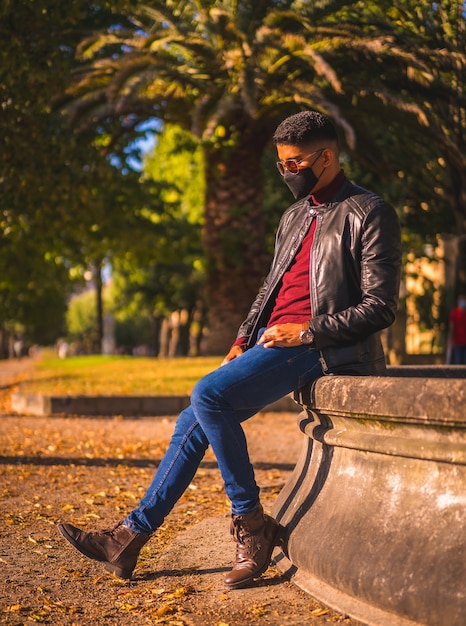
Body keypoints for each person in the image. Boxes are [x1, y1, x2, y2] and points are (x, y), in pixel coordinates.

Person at [58, 110, 402, 589]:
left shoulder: (368, 211)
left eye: (295, 163)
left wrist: (306, 331)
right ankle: (128, 539)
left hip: (326, 347)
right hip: (276, 342)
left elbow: (380, 307)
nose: (286, 173)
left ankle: (251, 525)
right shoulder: (294, 216)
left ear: (326, 157)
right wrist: (242, 340)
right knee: (191, 420)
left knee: (208, 395)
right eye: (281, 165)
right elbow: (270, 291)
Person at [448, 295, 466, 364]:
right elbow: (452, 327)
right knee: (458, 362)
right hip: (457, 341)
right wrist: (451, 339)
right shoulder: (454, 313)